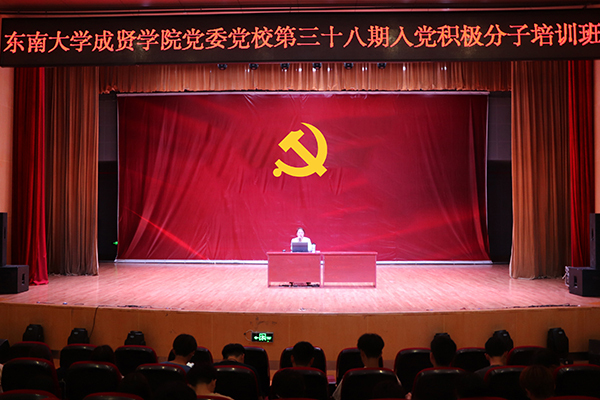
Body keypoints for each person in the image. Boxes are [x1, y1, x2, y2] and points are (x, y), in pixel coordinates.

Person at [332, 333, 401, 400]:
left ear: (362, 353)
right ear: (380, 354)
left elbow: (336, 397)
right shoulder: (391, 376)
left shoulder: (349, 376)